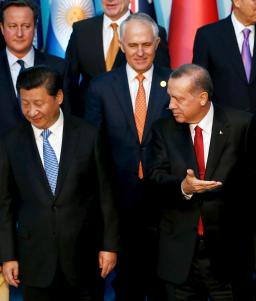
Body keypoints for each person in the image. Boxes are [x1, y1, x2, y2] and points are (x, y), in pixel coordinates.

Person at [0, 65, 119, 301]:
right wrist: (7, 256)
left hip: (84, 258)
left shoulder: (88, 135)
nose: (31, 111)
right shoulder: (11, 143)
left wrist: (109, 246)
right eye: (25, 103)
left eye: (38, 103)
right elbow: (4, 203)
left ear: (59, 98)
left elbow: (106, 195)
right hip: (34, 262)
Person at [193, 1, 256, 296]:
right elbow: (201, 90)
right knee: (229, 223)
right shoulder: (208, 34)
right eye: (255, 0)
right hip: (224, 143)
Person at [148, 64, 253, 301]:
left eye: (178, 99)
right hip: (180, 257)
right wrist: (183, 187)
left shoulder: (241, 125)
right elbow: (154, 178)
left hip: (228, 257)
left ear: (203, 97)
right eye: (170, 98)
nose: (171, 105)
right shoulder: (163, 130)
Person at [84, 12, 170, 301]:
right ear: (121, 45)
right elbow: (92, 150)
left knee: (164, 284)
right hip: (119, 203)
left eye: (146, 44)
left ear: (157, 43)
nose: (140, 52)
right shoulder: (100, 87)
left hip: (165, 203)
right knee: (128, 286)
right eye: (133, 45)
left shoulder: (174, 84)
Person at [65, 0, 170, 117]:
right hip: (89, 119)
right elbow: (69, 82)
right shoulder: (81, 30)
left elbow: (162, 81)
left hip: (134, 120)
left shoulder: (152, 32)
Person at [0, 0, 67, 136]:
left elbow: (70, 120)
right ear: (2, 28)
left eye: (26, 26)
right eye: (12, 26)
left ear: (35, 28)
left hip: (49, 152)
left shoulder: (59, 67)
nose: (19, 33)